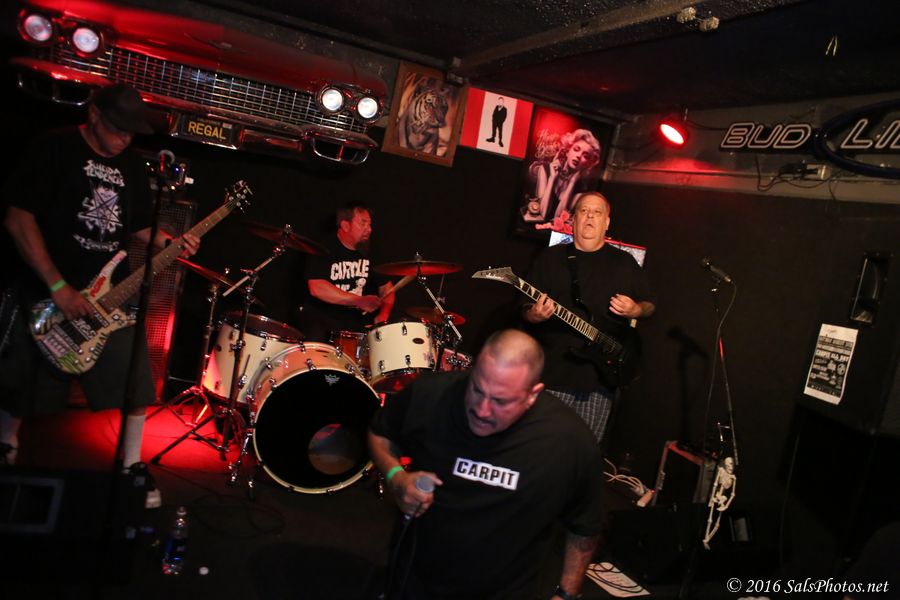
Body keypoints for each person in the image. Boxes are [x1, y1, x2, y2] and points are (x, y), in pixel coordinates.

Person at [0, 83, 199, 469]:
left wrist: (172, 242)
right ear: (94, 114)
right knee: (19, 378)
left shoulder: (131, 166)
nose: (126, 138)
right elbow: (18, 219)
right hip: (47, 287)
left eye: (132, 132)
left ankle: (131, 466)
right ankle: (6, 442)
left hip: (109, 296)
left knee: (135, 382)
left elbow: (139, 227)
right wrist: (58, 286)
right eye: (118, 128)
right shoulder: (54, 147)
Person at [369, 329, 604, 600]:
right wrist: (396, 477)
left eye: (501, 401)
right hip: (416, 582)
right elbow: (380, 434)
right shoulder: (431, 394)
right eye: (477, 389)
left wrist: (567, 594)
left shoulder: (568, 441)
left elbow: (585, 526)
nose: (482, 410)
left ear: (532, 394)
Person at [522, 191, 655, 445]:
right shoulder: (551, 258)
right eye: (584, 211)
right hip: (552, 374)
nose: (590, 217)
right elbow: (523, 309)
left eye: (597, 212)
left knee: (582, 453)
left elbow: (650, 306)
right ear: (573, 220)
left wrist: (636, 310)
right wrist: (534, 315)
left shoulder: (624, 263)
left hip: (598, 382)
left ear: (607, 222)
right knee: (538, 446)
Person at [301, 202, 395, 343]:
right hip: (321, 317)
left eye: (369, 224)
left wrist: (383, 314)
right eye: (363, 223)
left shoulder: (371, 250)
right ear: (345, 225)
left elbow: (387, 289)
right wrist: (359, 300)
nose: (369, 229)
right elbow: (317, 288)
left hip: (355, 322)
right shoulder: (323, 247)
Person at [525, 129, 601, 225]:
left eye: (585, 156)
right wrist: (552, 179)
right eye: (576, 149)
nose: (578, 156)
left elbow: (558, 222)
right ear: (567, 151)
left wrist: (572, 183)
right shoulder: (545, 169)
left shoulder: (580, 190)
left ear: (587, 164)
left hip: (555, 234)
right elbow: (541, 214)